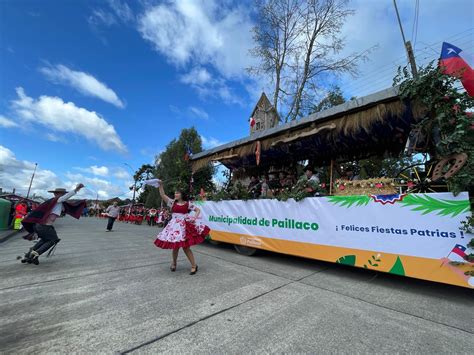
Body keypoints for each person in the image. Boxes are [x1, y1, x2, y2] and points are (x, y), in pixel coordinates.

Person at [20, 184, 86, 265]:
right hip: (44, 226)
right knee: (53, 240)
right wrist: (76, 189)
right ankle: (35, 255)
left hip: (40, 226)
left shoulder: (56, 203)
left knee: (45, 240)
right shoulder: (57, 200)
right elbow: (66, 197)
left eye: (63, 193)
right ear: (57, 194)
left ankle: (28, 255)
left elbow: (67, 205)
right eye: (62, 194)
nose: (63, 195)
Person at [155, 181, 210, 275]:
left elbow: (198, 210)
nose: (175, 194)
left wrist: (194, 218)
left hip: (185, 226)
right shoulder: (172, 203)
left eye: (177, 193)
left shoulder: (187, 204)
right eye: (175, 193)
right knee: (175, 247)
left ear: (181, 194)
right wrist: (160, 185)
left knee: (186, 247)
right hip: (174, 226)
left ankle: (194, 266)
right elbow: (162, 194)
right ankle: (174, 263)